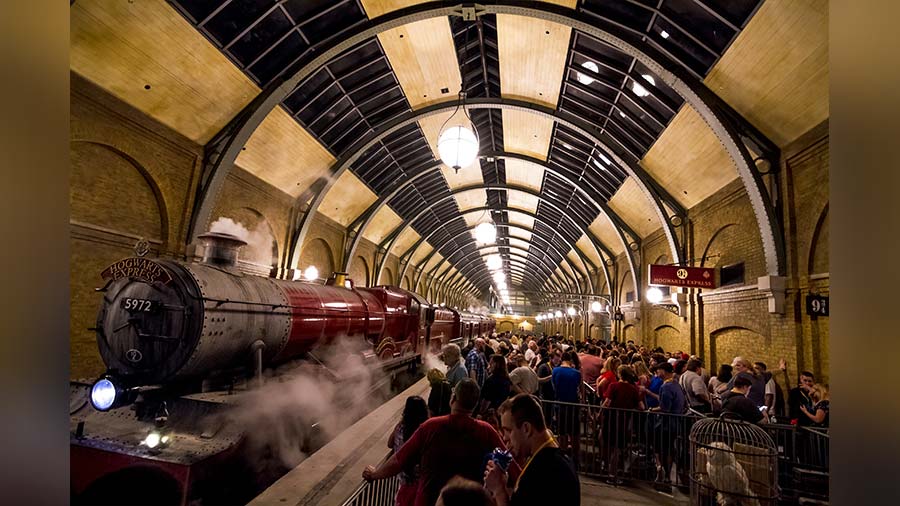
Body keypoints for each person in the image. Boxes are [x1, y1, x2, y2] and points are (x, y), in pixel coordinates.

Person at [362, 379, 517, 506]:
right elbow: (514, 468)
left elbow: (399, 459)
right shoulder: (486, 431)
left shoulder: (431, 426)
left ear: (453, 399)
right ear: (475, 404)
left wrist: (374, 475)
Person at [483, 394, 580, 506]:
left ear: (526, 428)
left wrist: (498, 490)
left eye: (508, 430)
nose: (504, 438)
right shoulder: (559, 459)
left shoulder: (541, 473)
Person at [602, 365, 645, 483]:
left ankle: (608, 470)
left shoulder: (613, 386)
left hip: (611, 418)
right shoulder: (633, 389)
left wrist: (600, 413)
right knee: (617, 448)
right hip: (624, 421)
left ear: (619, 374)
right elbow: (642, 407)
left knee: (608, 443)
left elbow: (607, 403)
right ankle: (613, 472)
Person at [389, 396, 429, 506]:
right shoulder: (427, 431)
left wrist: (402, 420)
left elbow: (389, 444)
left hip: (405, 487)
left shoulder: (400, 429)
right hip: (424, 489)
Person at [551, 351, 582, 459]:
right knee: (574, 432)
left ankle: (563, 454)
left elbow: (554, 386)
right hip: (573, 405)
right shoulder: (576, 373)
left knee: (562, 431)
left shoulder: (555, 371)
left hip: (560, 404)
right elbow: (580, 389)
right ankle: (575, 455)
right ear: (571, 361)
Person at [480, 355, 513, 423]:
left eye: (491, 363)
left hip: (489, 415)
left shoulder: (491, 381)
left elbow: (486, 400)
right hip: (500, 413)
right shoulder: (507, 380)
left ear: (496, 365)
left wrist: (480, 413)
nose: (489, 365)